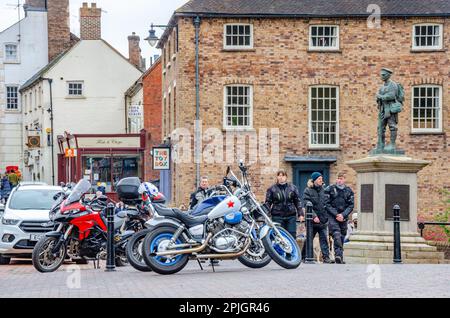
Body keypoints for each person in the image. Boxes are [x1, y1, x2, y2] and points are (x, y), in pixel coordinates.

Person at [302, 172, 332, 263]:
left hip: (323, 220)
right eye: (319, 179)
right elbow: (306, 204)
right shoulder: (308, 190)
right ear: (314, 180)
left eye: (321, 178)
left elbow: (327, 204)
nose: (321, 180)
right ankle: (303, 256)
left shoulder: (324, 190)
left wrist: (326, 216)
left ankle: (326, 258)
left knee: (324, 240)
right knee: (309, 239)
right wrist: (314, 216)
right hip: (312, 220)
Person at [325, 172, 355, 264]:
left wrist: (343, 215)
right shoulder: (330, 189)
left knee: (342, 235)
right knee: (336, 234)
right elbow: (326, 203)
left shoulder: (348, 191)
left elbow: (351, 205)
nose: (339, 180)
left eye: (341, 178)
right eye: (338, 178)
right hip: (333, 216)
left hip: (343, 217)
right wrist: (336, 214)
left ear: (344, 180)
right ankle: (338, 255)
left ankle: (340, 257)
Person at [265, 170, 304, 239]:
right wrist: (266, 215)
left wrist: (300, 214)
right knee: (279, 236)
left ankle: (292, 249)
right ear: (277, 177)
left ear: (286, 177)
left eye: (283, 175)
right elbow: (268, 203)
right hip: (277, 216)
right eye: (279, 175)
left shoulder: (293, 188)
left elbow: (297, 201)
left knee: (292, 236)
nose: (281, 177)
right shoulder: (272, 189)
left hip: (291, 216)